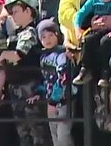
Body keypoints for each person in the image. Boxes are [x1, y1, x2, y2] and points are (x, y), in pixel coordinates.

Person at [0, 0, 51, 146]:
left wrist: (4, 54)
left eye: (16, 11)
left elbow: (18, 54)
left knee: (37, 132)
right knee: (23, 132)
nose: (13, 15)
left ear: (28, 11)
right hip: (15, 88)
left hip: (30, 88)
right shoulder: (15, 35)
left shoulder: (30, 32)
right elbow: (5, 65)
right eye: (11, 13)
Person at [38, 18, 73, 146]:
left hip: (63, 100)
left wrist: (54, 100)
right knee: (55, 135)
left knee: (63, 136)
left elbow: (63, 77)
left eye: (51, 35)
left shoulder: (61, 54)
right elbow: (45, 79)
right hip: (50, 101)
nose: (47, 39)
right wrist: (39, 91)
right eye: (43, 37)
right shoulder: (43, 56)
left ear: (57, 35)